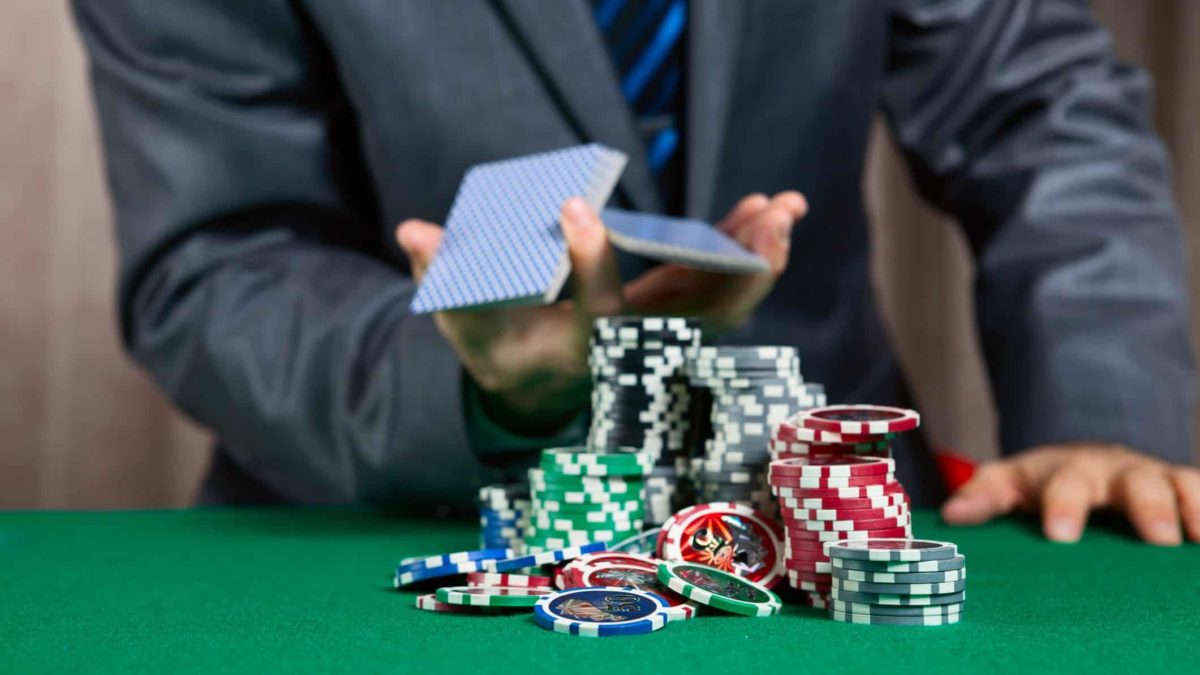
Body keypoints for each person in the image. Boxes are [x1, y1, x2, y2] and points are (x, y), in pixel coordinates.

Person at [73, 0, 1199, 544]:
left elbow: (1036, 105)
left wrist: (1107, 411)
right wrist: (482, 392)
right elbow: (220, 265)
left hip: (823, 539)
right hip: (400, 538)